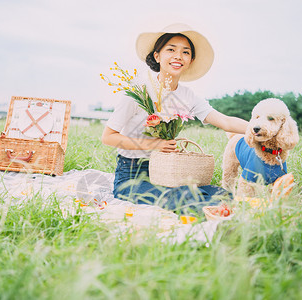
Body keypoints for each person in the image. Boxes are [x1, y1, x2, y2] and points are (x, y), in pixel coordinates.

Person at [101, 23, 248, 215]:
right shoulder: (138, 92)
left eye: (185, 52)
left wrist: (263, 129)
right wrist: (153, 145)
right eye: (171, 49)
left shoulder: (189, 96)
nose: (178, 56)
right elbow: (108, 137)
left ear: (191, 60)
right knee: (183, 199)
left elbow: (226, 122)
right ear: (157, 56)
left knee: (221, 194)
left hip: (169, 173)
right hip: (131, 176)